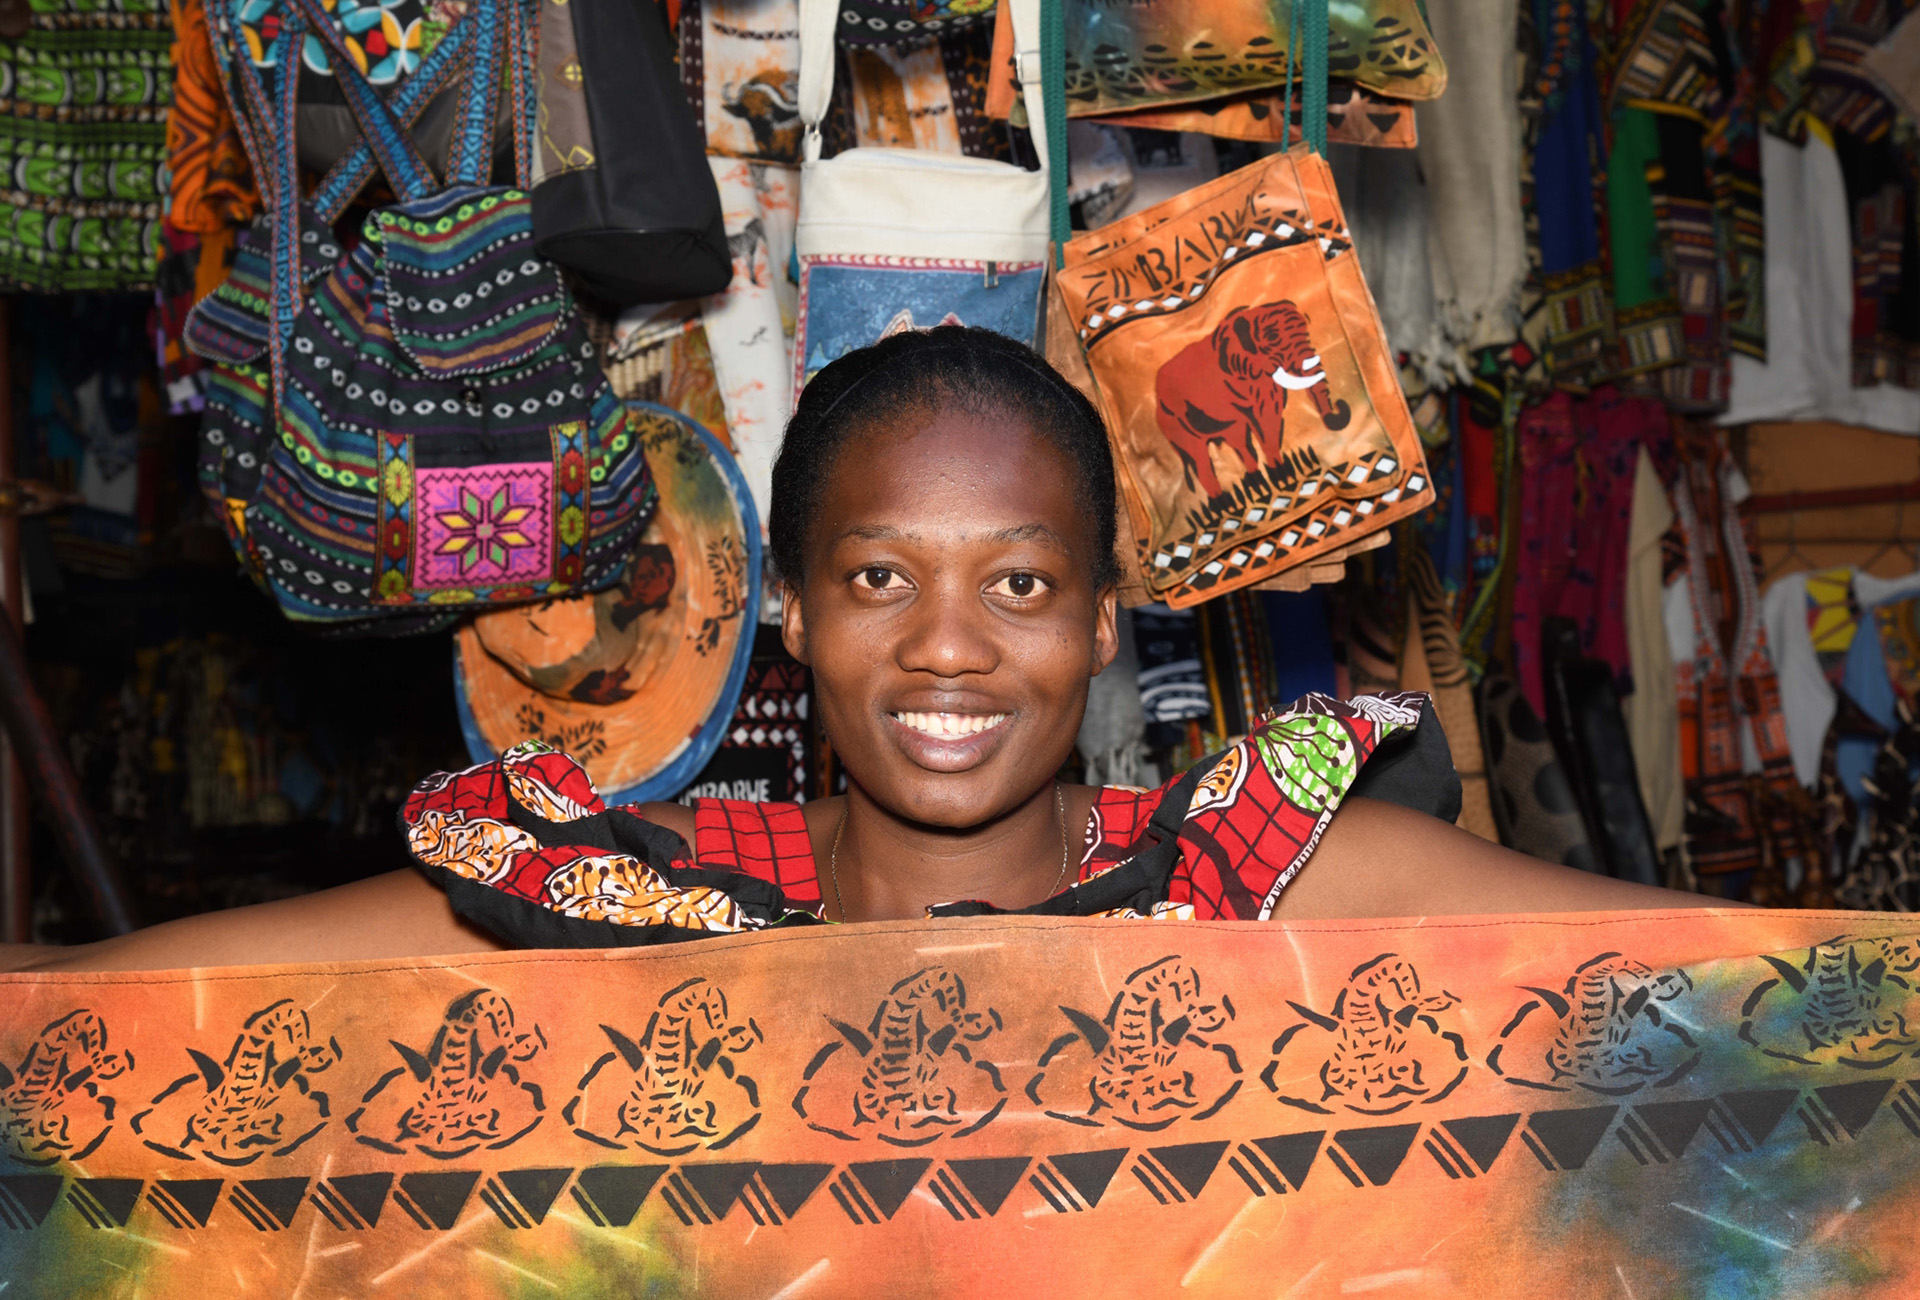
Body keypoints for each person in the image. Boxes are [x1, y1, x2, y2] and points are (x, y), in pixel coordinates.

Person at [5, 328, 1734, 973]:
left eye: (1025, 586)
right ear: (789, 612)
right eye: (881, 578)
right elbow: (149, 1011)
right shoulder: (635, 906)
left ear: (1106, 618)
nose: (949, 652)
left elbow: (1769, 992)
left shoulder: (1257, 873)